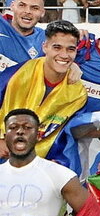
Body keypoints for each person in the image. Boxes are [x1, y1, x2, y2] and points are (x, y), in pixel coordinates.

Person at [0, 21, 87, 160]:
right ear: (45, 47)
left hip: (41, 164)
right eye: (57, 47)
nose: (64, 55)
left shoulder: (78, 94)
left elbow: (66, 137)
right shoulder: (18, 74)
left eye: (70, 49)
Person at [0, 0, 46, 89]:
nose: (28, 11)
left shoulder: (47, 39)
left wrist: (74, 66)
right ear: (12, 6)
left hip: (22, 103)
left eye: (34, 8)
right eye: (22, 5)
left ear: (42, 12)